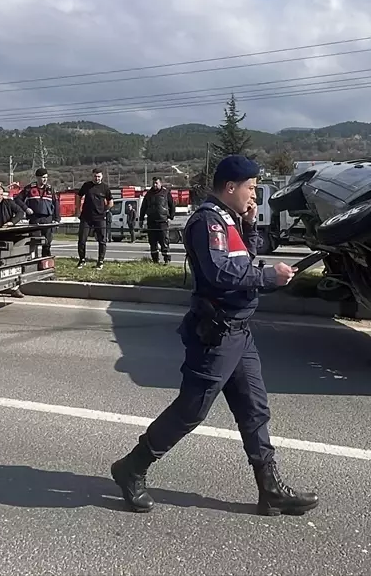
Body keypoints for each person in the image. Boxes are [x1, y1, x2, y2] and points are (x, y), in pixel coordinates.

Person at [109, 155, 318, 517]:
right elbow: (220, 273)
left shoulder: (230, 219)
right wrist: (270, 277)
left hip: (239, 333)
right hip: (217, 335)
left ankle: (270, 489)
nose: (254, 194)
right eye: (251, 187)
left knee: (254, 409)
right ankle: (132, 467)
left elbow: (244, 260)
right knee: (191, 410)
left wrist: (249, 226)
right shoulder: (208, 221)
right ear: (230, 186)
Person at [16, 168, 59, 257]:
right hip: (35, 218)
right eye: (43, 177)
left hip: (47, 218)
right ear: (37, 177)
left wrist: (57, 219)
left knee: (47, 242)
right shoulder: (29, 188)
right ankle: (33, 259)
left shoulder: (50, 189)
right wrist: (26, 208)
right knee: (34, 241)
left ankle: (45, 259)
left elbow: (56, 204)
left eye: (46, 177)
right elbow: (17, 199)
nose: (45, 179)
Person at [76, 168, 113, 268]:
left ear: (102, 177)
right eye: (95, 176)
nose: (97, 178)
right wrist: (78, 210)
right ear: (92, 176)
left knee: (102, 240)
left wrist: (104, 210)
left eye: (99, 176)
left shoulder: (105, 187)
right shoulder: (86, 185)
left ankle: (100, 261)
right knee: (82, 239)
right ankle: (82, 260)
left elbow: (111, 202)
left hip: (100, 217)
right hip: (86, 217)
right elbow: (79, 196)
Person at [139, 176, 176, 263]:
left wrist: (171, 217)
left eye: (156, 183)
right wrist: (141, 219)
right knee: (152, 242)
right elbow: (143, 207)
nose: (155, 185)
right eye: (153, 183)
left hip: (162, 222)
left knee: (164, 242)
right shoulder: (148, 194)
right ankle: (155, 261)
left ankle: (166, 260)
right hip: (151, 222)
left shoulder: (166, 193)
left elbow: (172, 206)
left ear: (160, 183)